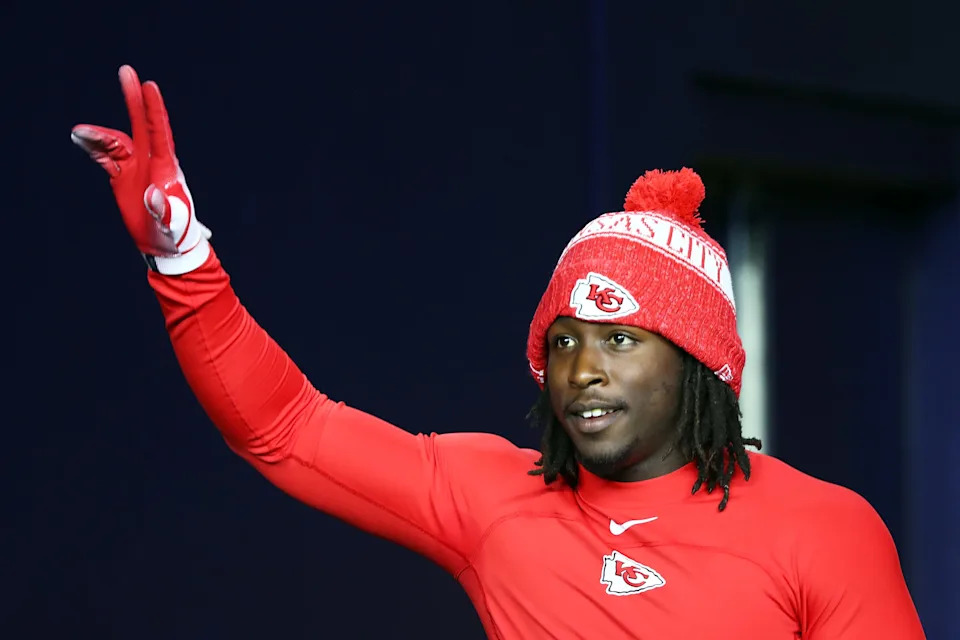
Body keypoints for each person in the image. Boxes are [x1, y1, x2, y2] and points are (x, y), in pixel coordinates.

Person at [71, 65, 926, 639]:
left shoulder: (826, 531)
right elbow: (285, 426)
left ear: (697, 362)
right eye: (563, 343)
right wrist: (183, 261)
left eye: (620, 340)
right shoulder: (494, 499)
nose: (583, 370)